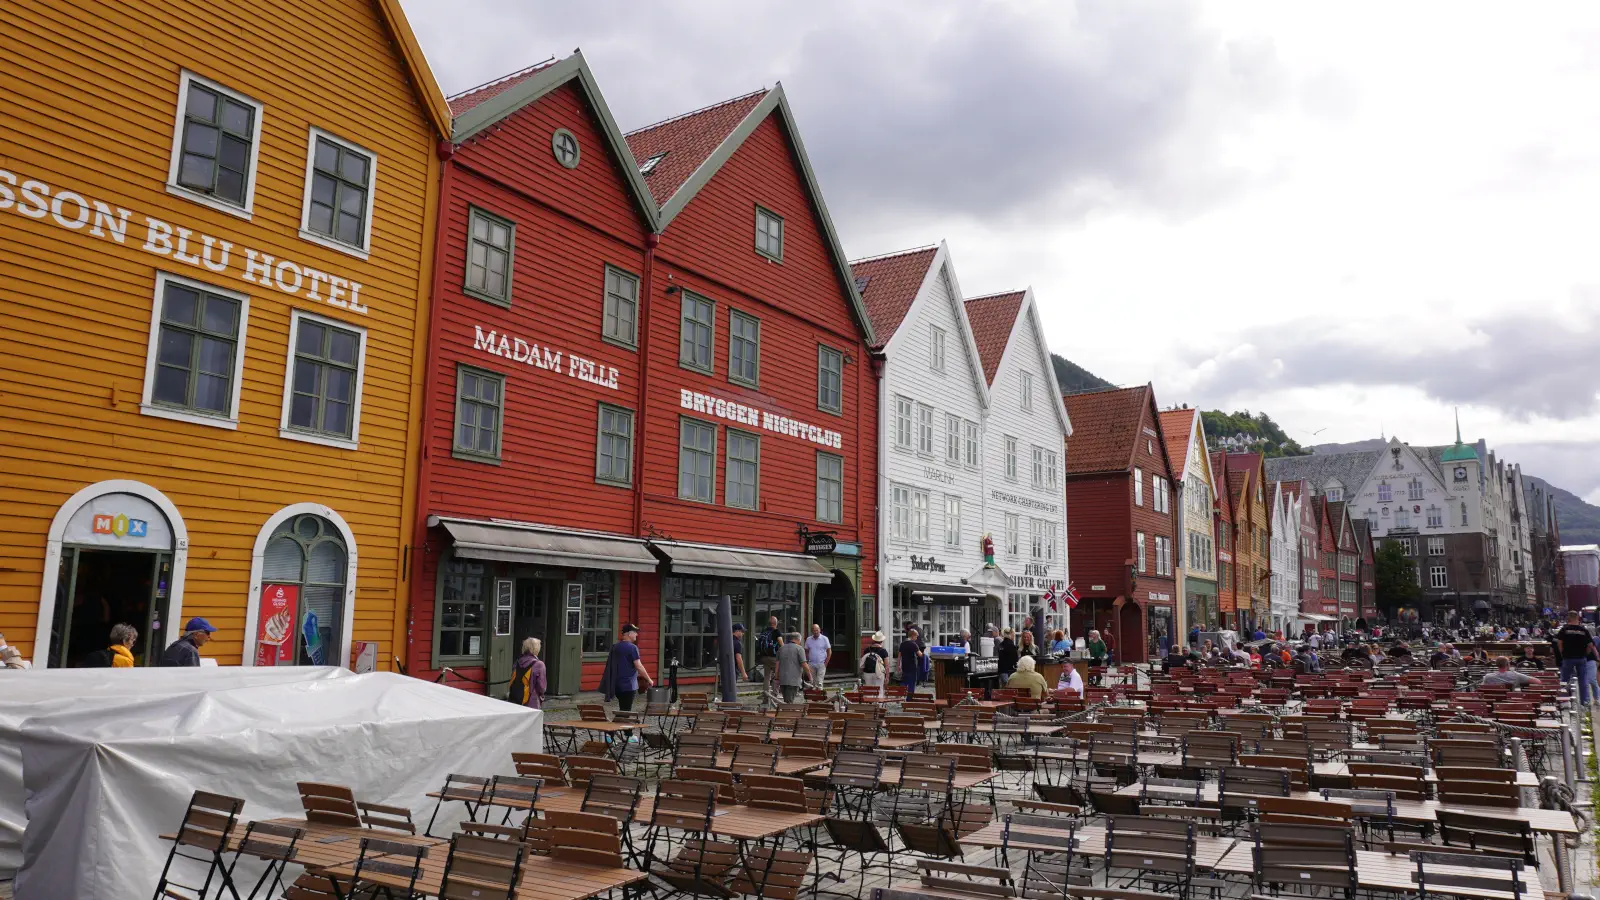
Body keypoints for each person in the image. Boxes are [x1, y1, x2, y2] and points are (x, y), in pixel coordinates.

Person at [602, 624, 653, 711]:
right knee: (626, 711)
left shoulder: (615, 647)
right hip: (628, 685)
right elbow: (639, 666)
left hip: (616, 685)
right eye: (635, 632)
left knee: (623, 708)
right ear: (629, 634)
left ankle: (620, 718)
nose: (637, 634)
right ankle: (621, 719)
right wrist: (649, 679)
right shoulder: (632, 648)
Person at [507, 637, 547, 709]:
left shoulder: (518, 661)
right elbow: (542, 687)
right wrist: (541, 697)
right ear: (536, 648)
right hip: (531, 702)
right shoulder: (539, 664)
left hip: (515, 701)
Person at [776, 631, 810, 704]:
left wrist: (776, 677)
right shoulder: (799, 649)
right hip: (793, 681)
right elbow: (804, 664)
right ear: (798, 639)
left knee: (786, 700)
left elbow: (777, 664)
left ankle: (786, 710)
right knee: (789, 702)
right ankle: (788, 711)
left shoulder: (781, 648)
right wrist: (810, 677)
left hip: (783, 680)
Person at [757, 616, 782, 693]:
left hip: (764, 657)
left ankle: (766, 695)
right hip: (773, 658)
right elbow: (781, 644)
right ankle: (775, 693)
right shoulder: (776, 632)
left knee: (767, 676)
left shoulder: (764, 631)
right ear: (776, 623)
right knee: (778, 674)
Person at [860, 631, 889, 698]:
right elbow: (887, 665)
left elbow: (863, 661)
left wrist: (862, 672)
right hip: (879, 673)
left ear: (874, 640)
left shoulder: (867, 650)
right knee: (879, 690)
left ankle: (870, 703)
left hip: (867, 672)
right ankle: (878, 703)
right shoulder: (883, 651)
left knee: (869, 690)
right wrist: (887, 676)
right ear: (881, 641)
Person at [899, 627, 925, 697]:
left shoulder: (902, 644)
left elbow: (899, 655)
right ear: (913, 635)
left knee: (905, 681)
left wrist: (898, 665)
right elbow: (920, 655)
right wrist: (925, 655)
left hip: (904, 665)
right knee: (911, 683)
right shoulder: (913, 644)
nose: (916, 638)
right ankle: (909, 698)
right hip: (912, 666)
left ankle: (900, 695)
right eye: (916, 636)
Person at [803, 624, 831, 688]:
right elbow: (806, 651)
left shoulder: (824, 639)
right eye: (814, 630)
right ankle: (814, 693)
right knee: (813, 682)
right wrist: (807, 661)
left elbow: (829, 651)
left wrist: (826, 663)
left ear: (819, 630)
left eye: (817, 630)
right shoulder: (808, 639)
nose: (815, 632)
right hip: (811, 663)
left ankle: (820, 693)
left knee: (819, 682)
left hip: (821, 663)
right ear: (811, 631)